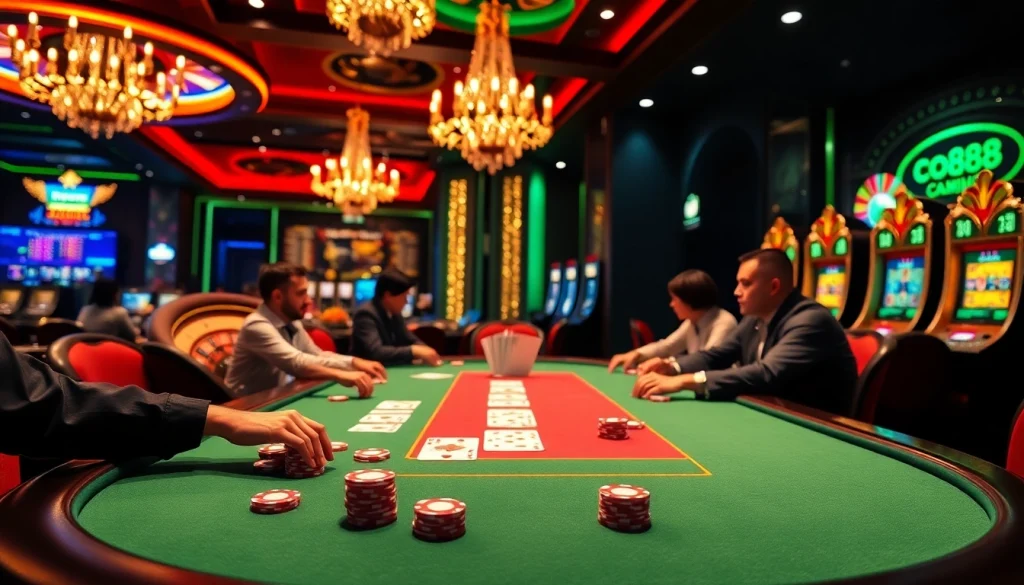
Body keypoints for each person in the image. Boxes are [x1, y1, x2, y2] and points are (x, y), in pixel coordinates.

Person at [0, 333, 332, 468]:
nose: (307, 301)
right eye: (301, 293)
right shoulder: (260, 325)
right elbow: (43, 405)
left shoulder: (295, 326)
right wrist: (219, 417)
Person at [633, 248, 857, 415]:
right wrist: (672, 367)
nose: (736, 291)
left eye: (746, 283)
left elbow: (767, 373)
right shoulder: (753, 319)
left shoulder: (810, 320)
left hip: (818, 427)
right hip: (775, 414)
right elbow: (719, 355)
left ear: (774, 287)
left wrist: (683, 381)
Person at [225, 263, 386, 398]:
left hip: (273, 397)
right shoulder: (256, 325)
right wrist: (340, 374)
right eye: (301, 293)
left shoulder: (292, 322)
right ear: (278, 296)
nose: (309, 300)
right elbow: (297, 363)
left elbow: (316, 355)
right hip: (243, 405)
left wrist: (354, 362)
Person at [608, 269, 737, 373]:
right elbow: (667, 347)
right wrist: (636, 354)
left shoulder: (724, 322)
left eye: (675, 299)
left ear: (690, 300)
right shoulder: (692, 321)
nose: (671, 304)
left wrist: (668, 365)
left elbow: (708, 361)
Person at [350, 268, 442, 366]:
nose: (406, 301)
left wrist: (426, 350)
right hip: (365, 374)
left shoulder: (394, 313)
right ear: (388, 295)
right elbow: (375, 352)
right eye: (404, 296)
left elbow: (409, 339)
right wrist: (413, 351)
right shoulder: (366, 314)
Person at [77, 278, 140, 343]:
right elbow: (132, 336)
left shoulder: (85, 309)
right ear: (114, 294)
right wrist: (138, 330)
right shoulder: (119, 313)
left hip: (85, 350)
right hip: (109, 351)